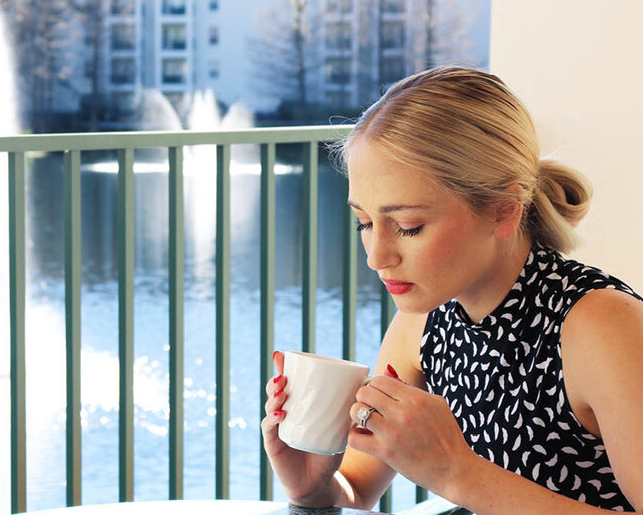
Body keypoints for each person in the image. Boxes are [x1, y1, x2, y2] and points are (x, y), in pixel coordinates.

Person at [262, 66, 643, 513]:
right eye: (364, 222)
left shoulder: (602, 326)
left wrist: (455, 472)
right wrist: (313, 486)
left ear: (504, 211)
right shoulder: (424, 320)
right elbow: (357, 488)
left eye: (408, 227)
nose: (375, 256)